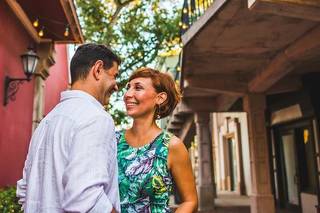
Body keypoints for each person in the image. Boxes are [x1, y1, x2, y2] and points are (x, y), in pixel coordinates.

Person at [16, 43, 121, 213]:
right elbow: (85, 197)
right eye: (114, 76)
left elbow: (24, 191)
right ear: (98, 69)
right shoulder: (96, 118)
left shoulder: (47, 121)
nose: (116, 86)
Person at [117, 68, 198, 212]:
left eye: (138, 88)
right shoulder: (113, 141)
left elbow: (190, 201)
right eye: (128, 88)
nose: (128, 94)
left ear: (160, 98)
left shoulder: (171, 145)